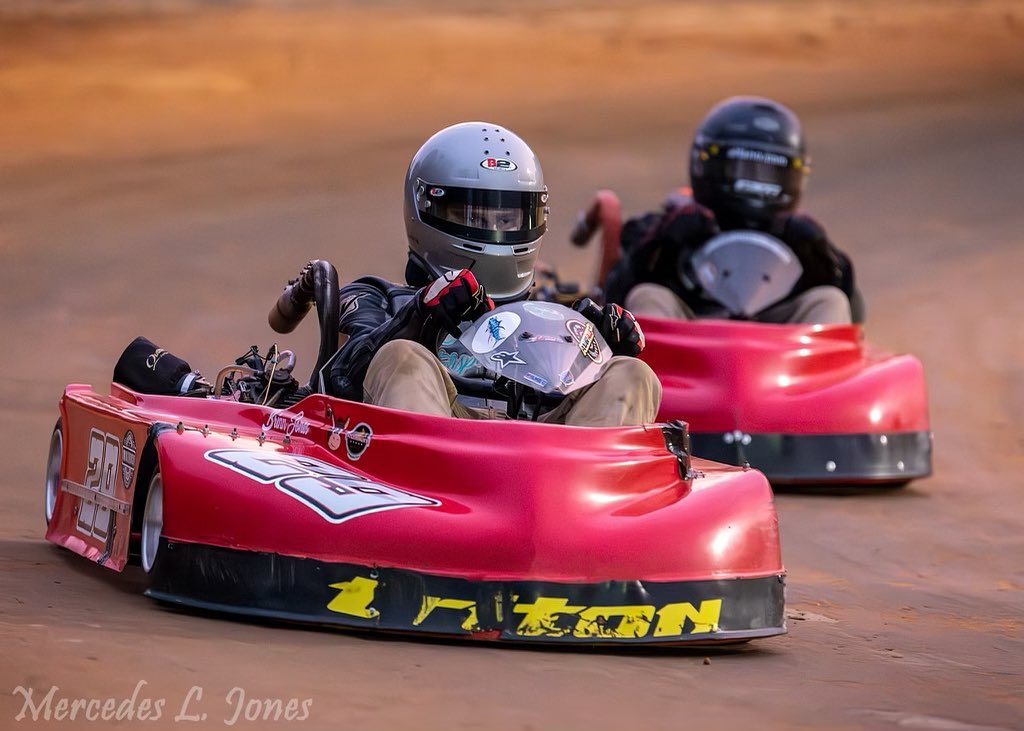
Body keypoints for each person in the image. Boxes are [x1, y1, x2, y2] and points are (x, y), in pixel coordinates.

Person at [325, 121, 660, 426]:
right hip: (438, 445)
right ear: (425, 206)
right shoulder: (376, 298)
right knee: (401, 356)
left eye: (507, 220)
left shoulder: (551, 319)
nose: (495, 233)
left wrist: (600, 349)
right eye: (473, 217)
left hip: (549, 453)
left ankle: (593, 473)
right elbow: (337, 382)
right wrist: (419, 316)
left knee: (632, 373)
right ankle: (430, 468)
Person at [603, 96, 859, 324]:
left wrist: (825, 261)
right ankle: (647, 366)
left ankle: (823, 369)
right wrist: (664, 243)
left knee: (831, 301)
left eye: (769, 173)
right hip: (689, 342)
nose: (756, 182)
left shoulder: (800, 238)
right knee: (648, 296)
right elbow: (614, 295)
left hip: (781, 351)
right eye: (745, 169)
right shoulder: (670, 225)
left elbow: (856, 315)